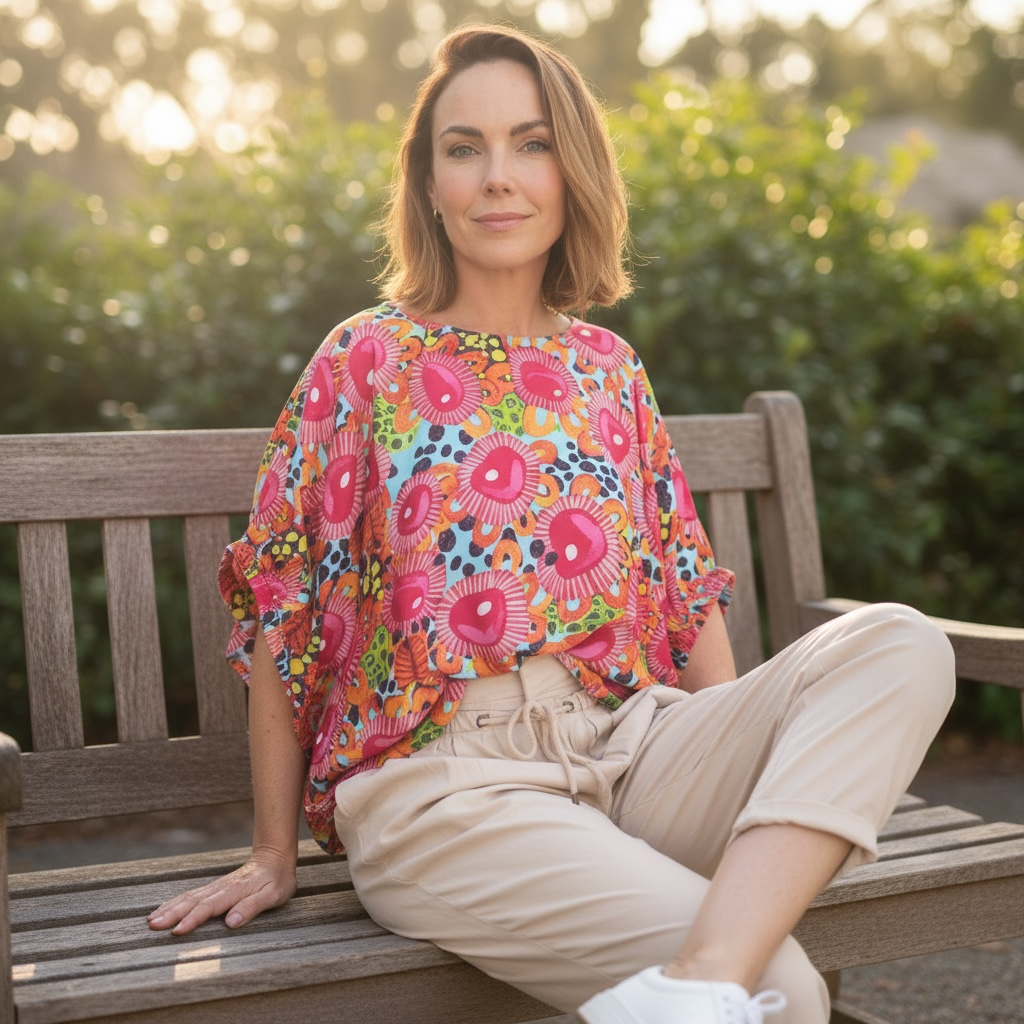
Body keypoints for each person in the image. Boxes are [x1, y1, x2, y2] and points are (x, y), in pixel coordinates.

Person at [148, 24, 955, 1024]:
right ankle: (707, 985)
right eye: (463, 147)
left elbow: (682, 587)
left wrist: (735, 755)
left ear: (571, 171)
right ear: (427, 182)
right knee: (780, 992)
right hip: (446, 788)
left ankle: (694, 985)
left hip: (632, 746)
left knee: (903, 643)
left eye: (530, 143)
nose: (497, 177)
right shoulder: (368, 359)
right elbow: (285, 605)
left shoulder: (609, 369)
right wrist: (272, 852)